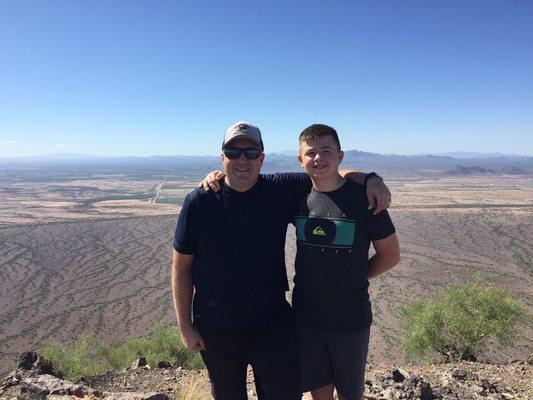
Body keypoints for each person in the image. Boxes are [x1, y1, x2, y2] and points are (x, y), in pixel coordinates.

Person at [171, 121, 391, 400]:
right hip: (217, 329)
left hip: (272, 325)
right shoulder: (199, 202)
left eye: (251, 153)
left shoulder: (280, 189)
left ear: (261, 158)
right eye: (233, 152)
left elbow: (328, 171)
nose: (242, 160)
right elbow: (181, 267)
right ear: (222, 157)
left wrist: (372, 178)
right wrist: (185, 326)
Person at [293, 124, 400, 400]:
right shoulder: (296, 196)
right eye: (311, 152)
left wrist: (356, 276)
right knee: (319, 391)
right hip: (307, 317)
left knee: (350, 394)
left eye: (326, 151)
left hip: (350, 319)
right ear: (300, 159)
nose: (319, 158)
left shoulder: (365, 199)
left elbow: (390, 256)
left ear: (340, 156)